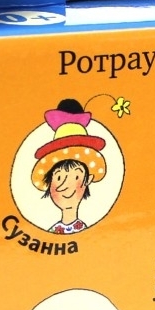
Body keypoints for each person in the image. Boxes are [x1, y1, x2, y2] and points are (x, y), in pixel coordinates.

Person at [31, 99, 107, 233]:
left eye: (76, 176)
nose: (65, 186)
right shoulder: (50, 232)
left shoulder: (91, 231)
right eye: (59, 178)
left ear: (88, 179)